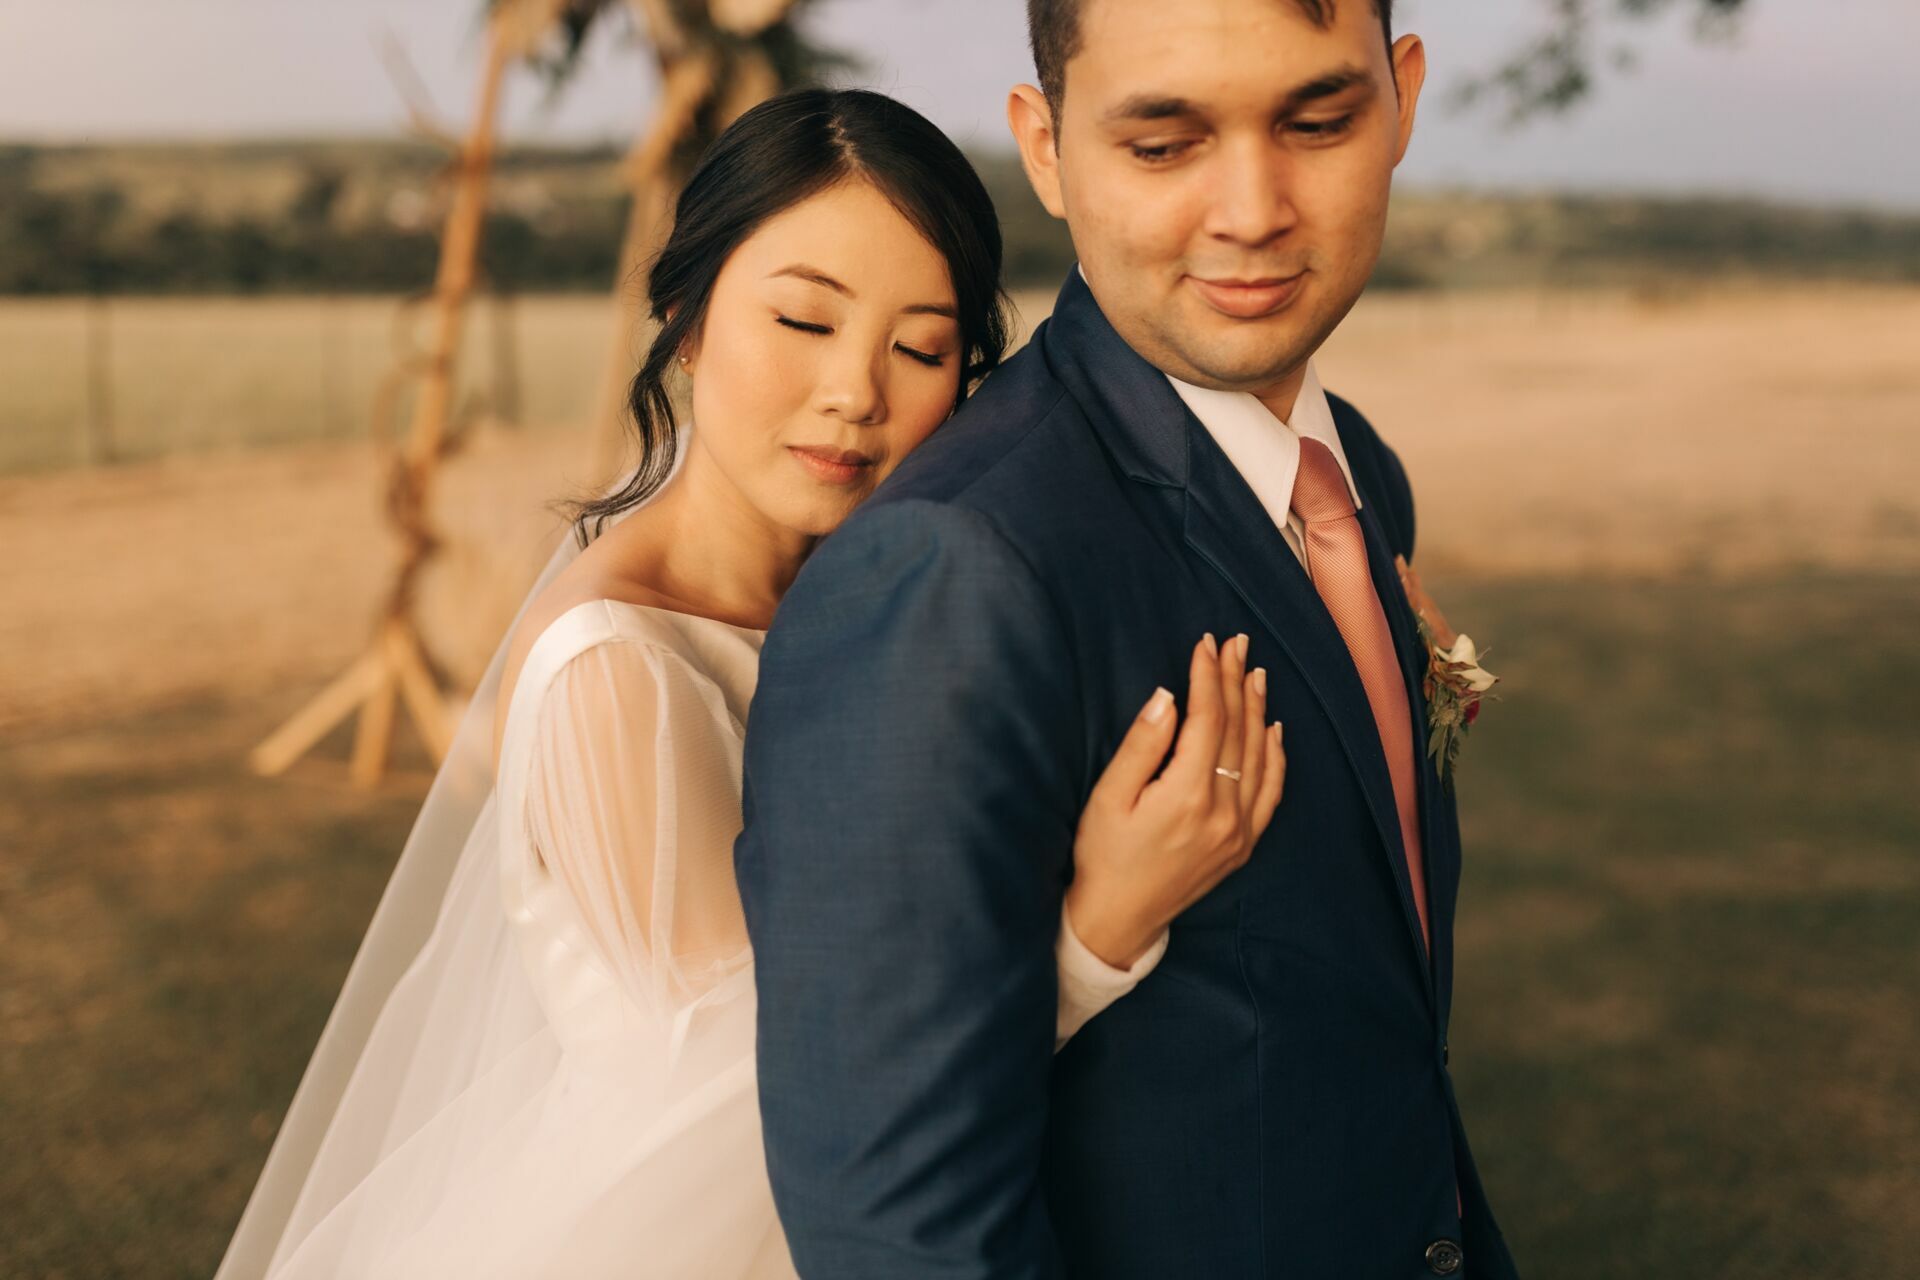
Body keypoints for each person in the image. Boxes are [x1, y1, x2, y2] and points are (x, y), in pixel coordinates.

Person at [212, 88, 1281, 1279]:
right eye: (804, 319)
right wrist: (1097, 926)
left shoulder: (886, 604)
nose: (856, 390)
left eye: (921, 347)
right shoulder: (618, 671)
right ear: (685, 318)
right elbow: (780, 1098)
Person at [736, 1, 1522, 1277]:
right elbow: (902, 1225)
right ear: (1046, 150)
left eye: (1318, 123)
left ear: (1402, 101)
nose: (1253, 211)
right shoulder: (948, 568)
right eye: (1163, 145)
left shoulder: (1358, 469)